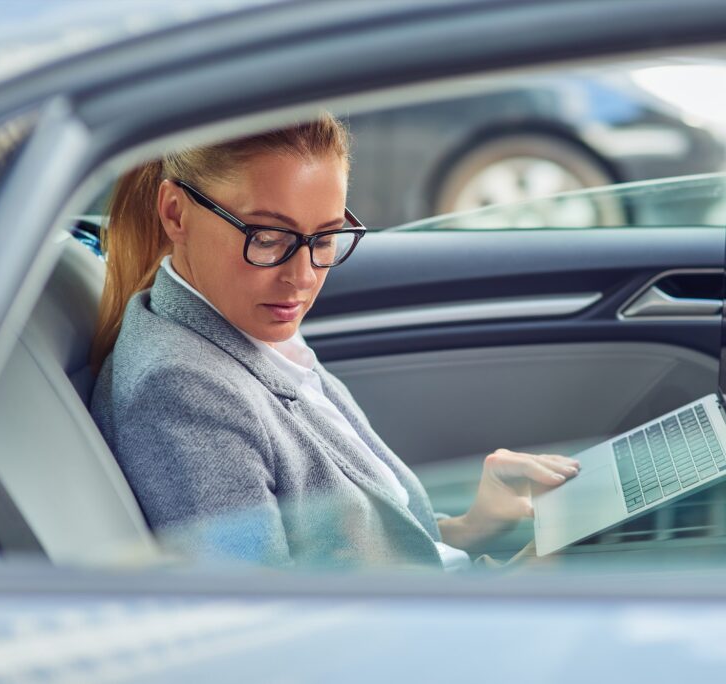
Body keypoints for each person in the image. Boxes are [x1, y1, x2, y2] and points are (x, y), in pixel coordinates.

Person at [89, 115, 580, 571]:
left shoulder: (256, 336)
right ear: (176, 213)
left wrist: (472, 527)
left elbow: (354, 552)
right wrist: (517, 589)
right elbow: (264, 628)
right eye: (267, 238)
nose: (301, 278)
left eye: (324, 239)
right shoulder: (183, 391)